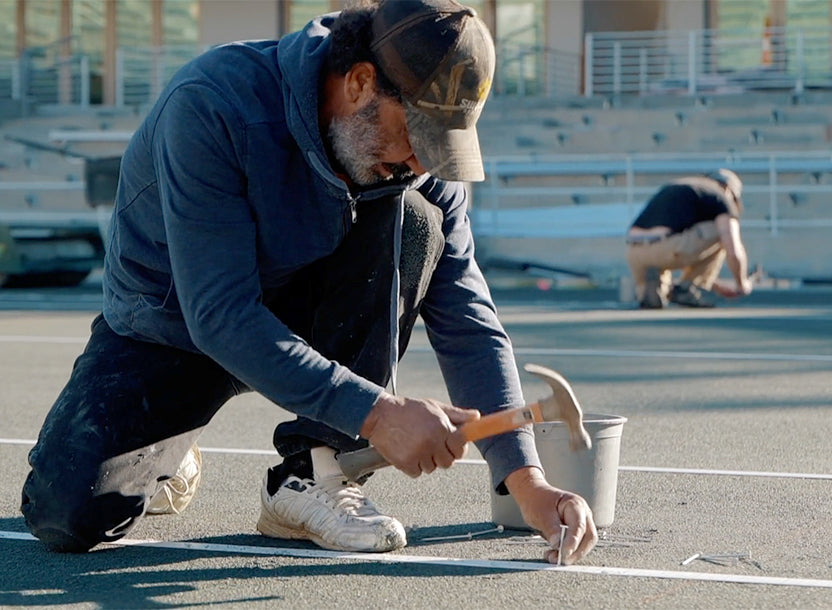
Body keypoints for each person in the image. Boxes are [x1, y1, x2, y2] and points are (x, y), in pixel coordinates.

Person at [19, 0, 597, 565]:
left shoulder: (417, 168)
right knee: (65, 515)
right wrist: (378, 414)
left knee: (415, 217)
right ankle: (174, 446)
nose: (424, 160)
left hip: (303, 312)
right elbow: (219, 314)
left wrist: (527, 482)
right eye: (416, 133)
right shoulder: (212, 105)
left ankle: (310, 474)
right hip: (176, 325)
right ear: (360, 82)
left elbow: (466, 315)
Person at [625, 168, 753, 309]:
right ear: (729, 190)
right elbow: (733, 249)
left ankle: (654, 289)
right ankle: (688, 287)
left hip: (635, 252)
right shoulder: (720, 196)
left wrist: (716, 285)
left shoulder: (680, 187)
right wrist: (741, 284)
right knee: (721, 232)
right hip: (669, 248)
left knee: (664, 256)